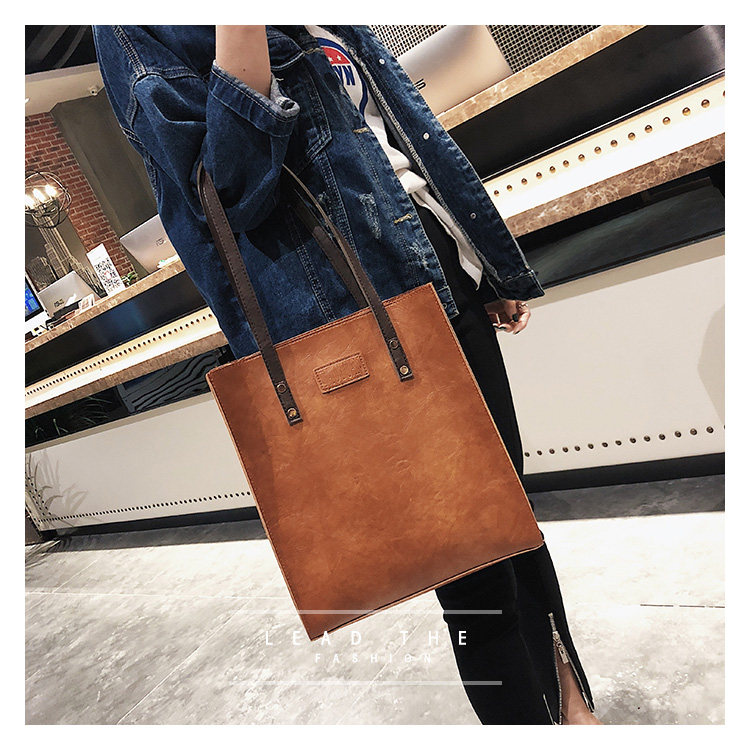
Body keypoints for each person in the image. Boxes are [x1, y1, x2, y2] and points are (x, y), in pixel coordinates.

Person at [93, 24, 602, 725]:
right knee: (469, 568)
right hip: (360, 313)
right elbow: (228, 195)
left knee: (513, 523)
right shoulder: (134, 26)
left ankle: (572, 709)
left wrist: (482, 262)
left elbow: (398, 141)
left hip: (439, 272)